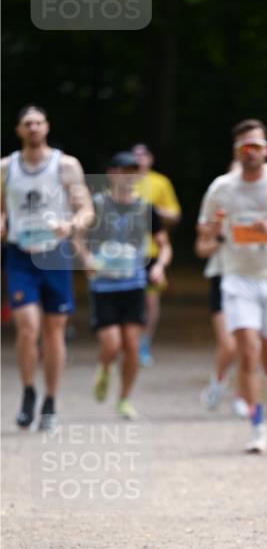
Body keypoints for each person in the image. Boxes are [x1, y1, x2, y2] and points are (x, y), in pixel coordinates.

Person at [198, 119, 267, 452]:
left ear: (266, 149)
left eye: (257, 146)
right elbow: (204, 232)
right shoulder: (222, 188)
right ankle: (257, 427)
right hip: (237, 278)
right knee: (248, 350)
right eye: (245, 147)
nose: (252, 152)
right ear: (237, 151)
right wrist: (217, 233)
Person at [0, 105, 93, 431]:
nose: (34, 128)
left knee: (54, 330)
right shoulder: (6, 168)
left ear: (47, 127)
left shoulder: (66, 166)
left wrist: (72, 224)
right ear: (19, 130)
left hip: (55, 255)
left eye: (39, 122)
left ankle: (50, 401)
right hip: (21, 254)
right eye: (28, 123)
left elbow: (86, 210)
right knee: (27, 327)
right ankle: (28, 392)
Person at [79, 152, 172, 419]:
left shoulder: (146, 208)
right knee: (111, 344)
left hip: (134, 284)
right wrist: (86, 259)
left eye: (134, 171)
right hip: (104, 286)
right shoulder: (96, 205)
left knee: (131, 345)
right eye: (123, 170)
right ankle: (105, 368)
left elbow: (165, 246)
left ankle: (124, 399)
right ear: (111, 173)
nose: (129, 176)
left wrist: (158, 266)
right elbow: (78, 237)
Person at [195, 160, 248, 419]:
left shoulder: (261, 210)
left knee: (249, 343)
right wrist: (218, 236)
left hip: (251, 277)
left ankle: (243, 395)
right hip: (222, 277)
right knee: (228, 344)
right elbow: (201, 248)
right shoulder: (217, 214)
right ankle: (218, 382)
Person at [131, 143, 181, 364]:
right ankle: (129, 342)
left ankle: (144, 343)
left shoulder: (160, 182)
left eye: (144, 154)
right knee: (130, 299)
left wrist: (153, 210)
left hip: (152, 251)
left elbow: (175, 215)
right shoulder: (121, 181)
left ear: (151, 159)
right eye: (135, 155)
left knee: (150, 300)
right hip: (125, 254)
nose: (140, 159)